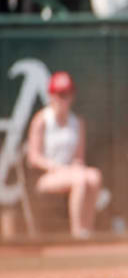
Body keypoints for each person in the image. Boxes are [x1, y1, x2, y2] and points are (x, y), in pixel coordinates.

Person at [26, 72, 105, 239]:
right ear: (51, 96)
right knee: (80, 180)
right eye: (60, 94)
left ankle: (88, 231)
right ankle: (77, 234)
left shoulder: (77, 122)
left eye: (67, 94)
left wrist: (75, 167)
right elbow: (33, 157)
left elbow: (78, 158)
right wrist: (56, 167)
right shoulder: (41, 120)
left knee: (94, 176)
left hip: (69, 172)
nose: (63, 99)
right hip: (46, 176)